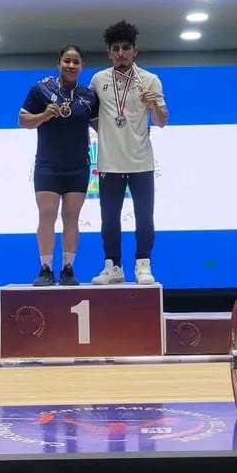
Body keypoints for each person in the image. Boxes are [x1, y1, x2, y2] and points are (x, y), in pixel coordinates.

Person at [88, 20, 168, 285]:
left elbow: (162, 121)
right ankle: (113, 267)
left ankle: (143, 265)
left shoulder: (150, 80)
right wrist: (108, 133)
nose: (121, 53)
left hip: (141, 161)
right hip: (109, 163)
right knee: (109, 219)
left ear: (135, 50)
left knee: (144, 218)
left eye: (126, 48)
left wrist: (154, 105)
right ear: (109, 53)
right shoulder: (98, 80)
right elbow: (91, 116)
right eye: (116, 49)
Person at [19, 45, 98, 286]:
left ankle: (67, 269)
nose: (71, 66)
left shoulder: (89, 96)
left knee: (72, 218)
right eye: (67, 61)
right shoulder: (41, 89)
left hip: (78, 166)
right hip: (48, 165)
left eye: (76, 62)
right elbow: (22, 120)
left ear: (82, 66)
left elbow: (101, 128)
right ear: (58, 63)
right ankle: (45, 269)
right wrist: (43, 115)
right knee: (46, 216)